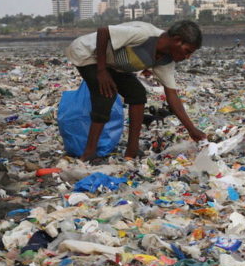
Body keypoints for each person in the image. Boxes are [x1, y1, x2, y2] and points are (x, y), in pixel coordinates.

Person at [65, 20, 207, 161]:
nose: (188, 57)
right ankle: (89, 152)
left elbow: (172, 96)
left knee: (137, 94)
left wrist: (191, 129)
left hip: (112, 65)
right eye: (187, 51)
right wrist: (101, 70)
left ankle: (132, 149)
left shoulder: (165, 60)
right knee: (105, 94)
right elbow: (103, 31)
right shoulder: (144, 35)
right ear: (177, 40)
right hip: (88, 54)